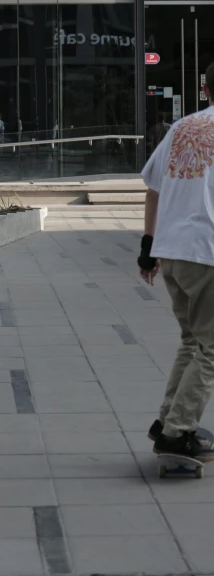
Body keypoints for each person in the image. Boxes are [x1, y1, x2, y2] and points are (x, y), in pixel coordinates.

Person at [139, 62, 214, 462]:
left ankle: (167, 420)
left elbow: (152, 187)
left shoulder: (182, 126)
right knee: (212, 349)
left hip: (172, 252)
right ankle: (177, 432)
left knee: (192, 339)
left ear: (205, 89)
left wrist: (148, 247)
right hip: (207, 253)